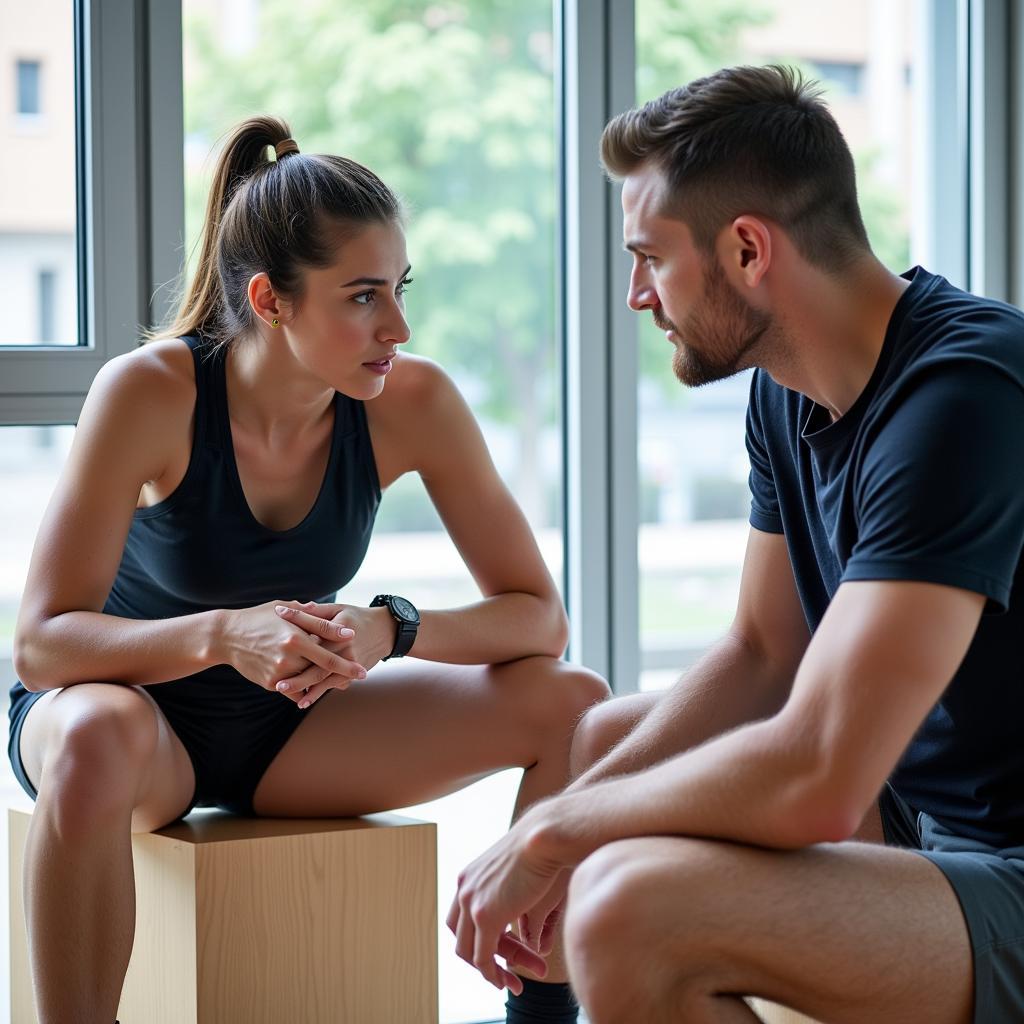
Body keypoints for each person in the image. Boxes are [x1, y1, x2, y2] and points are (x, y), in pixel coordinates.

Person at [448, 64, 1024, 1024]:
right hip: (927, 817)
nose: (637, 293)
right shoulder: (786, 390)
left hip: (1004, 857)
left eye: (650, 257)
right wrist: (579, 811)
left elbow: (823, 778)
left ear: (749, 249)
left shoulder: (965, 399)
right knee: (600, 743)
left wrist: (555, 832)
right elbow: (763, 651)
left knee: (630, 905)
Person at [9, 114, 609, 1024]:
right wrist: (220, 633)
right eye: (363, 296)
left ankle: (542, 1012)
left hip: (291, 728)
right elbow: (43, 648)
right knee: (94, 731)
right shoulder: (150, 393)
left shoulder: (413, 402)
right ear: (269, 300)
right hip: (132, 733)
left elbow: (537, 617)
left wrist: (390, 626)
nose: (398, 325)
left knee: (572, 700)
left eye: (400, 288)